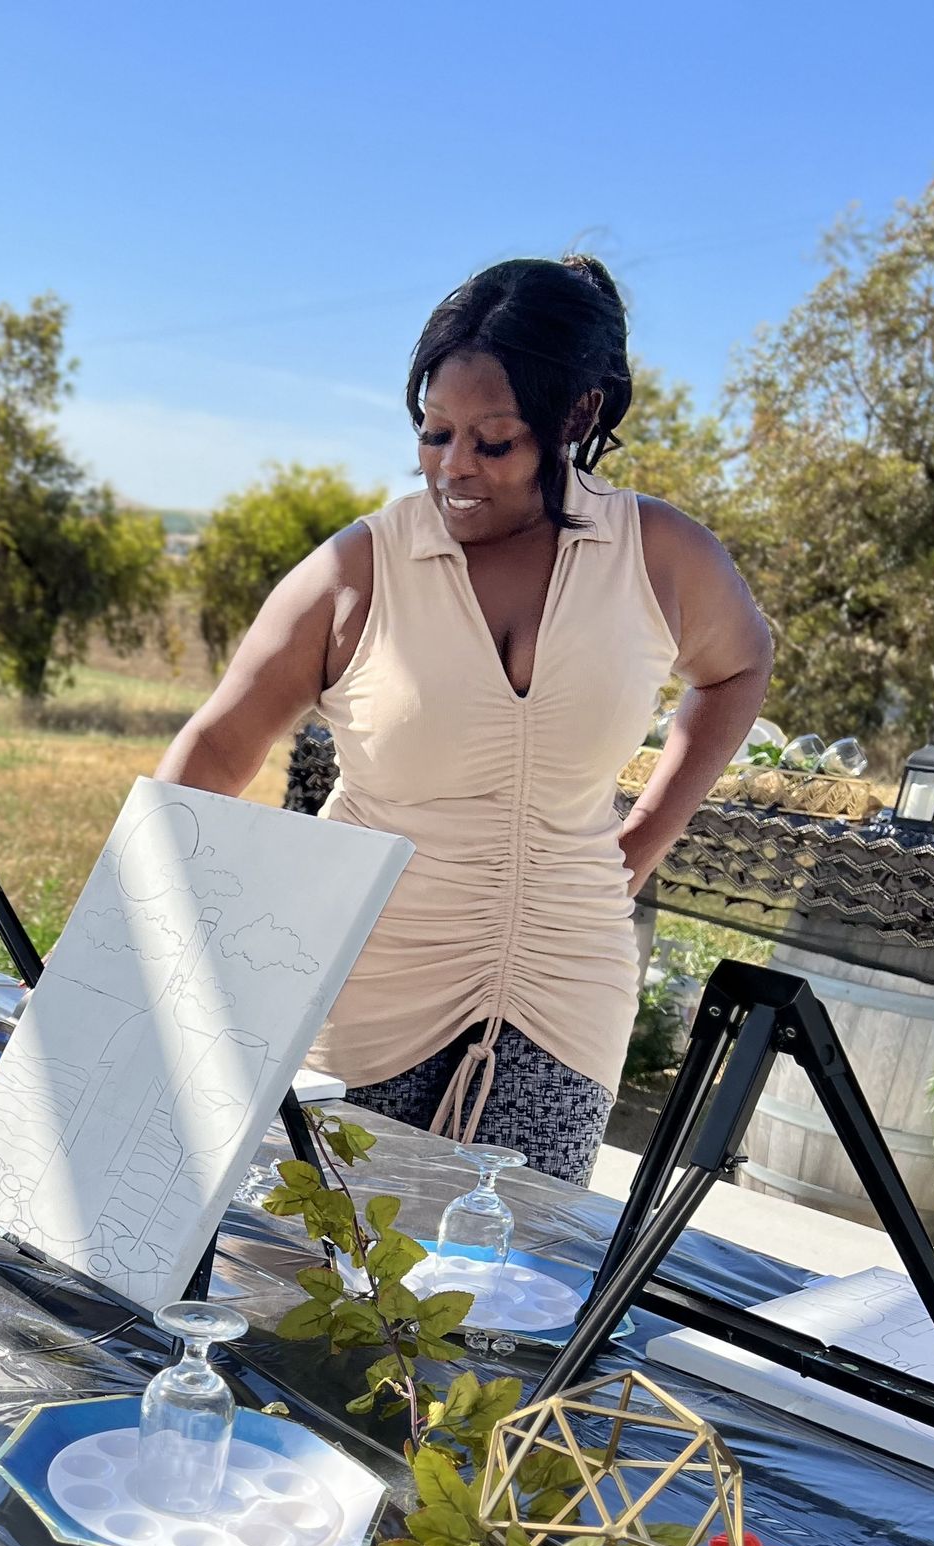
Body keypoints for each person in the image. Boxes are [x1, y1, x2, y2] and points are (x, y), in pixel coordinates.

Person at [157, 254, 772, 1185]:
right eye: (434, 433)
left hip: (568, 986)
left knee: (511, 1289)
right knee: (307, 1273)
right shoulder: (358, 573)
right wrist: (134, 944)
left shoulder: (661, 557)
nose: (455, 469)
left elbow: (740, 666)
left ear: (577, 418)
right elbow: (218, 746)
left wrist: (644, 836)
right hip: (364, 983)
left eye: (494, 441)